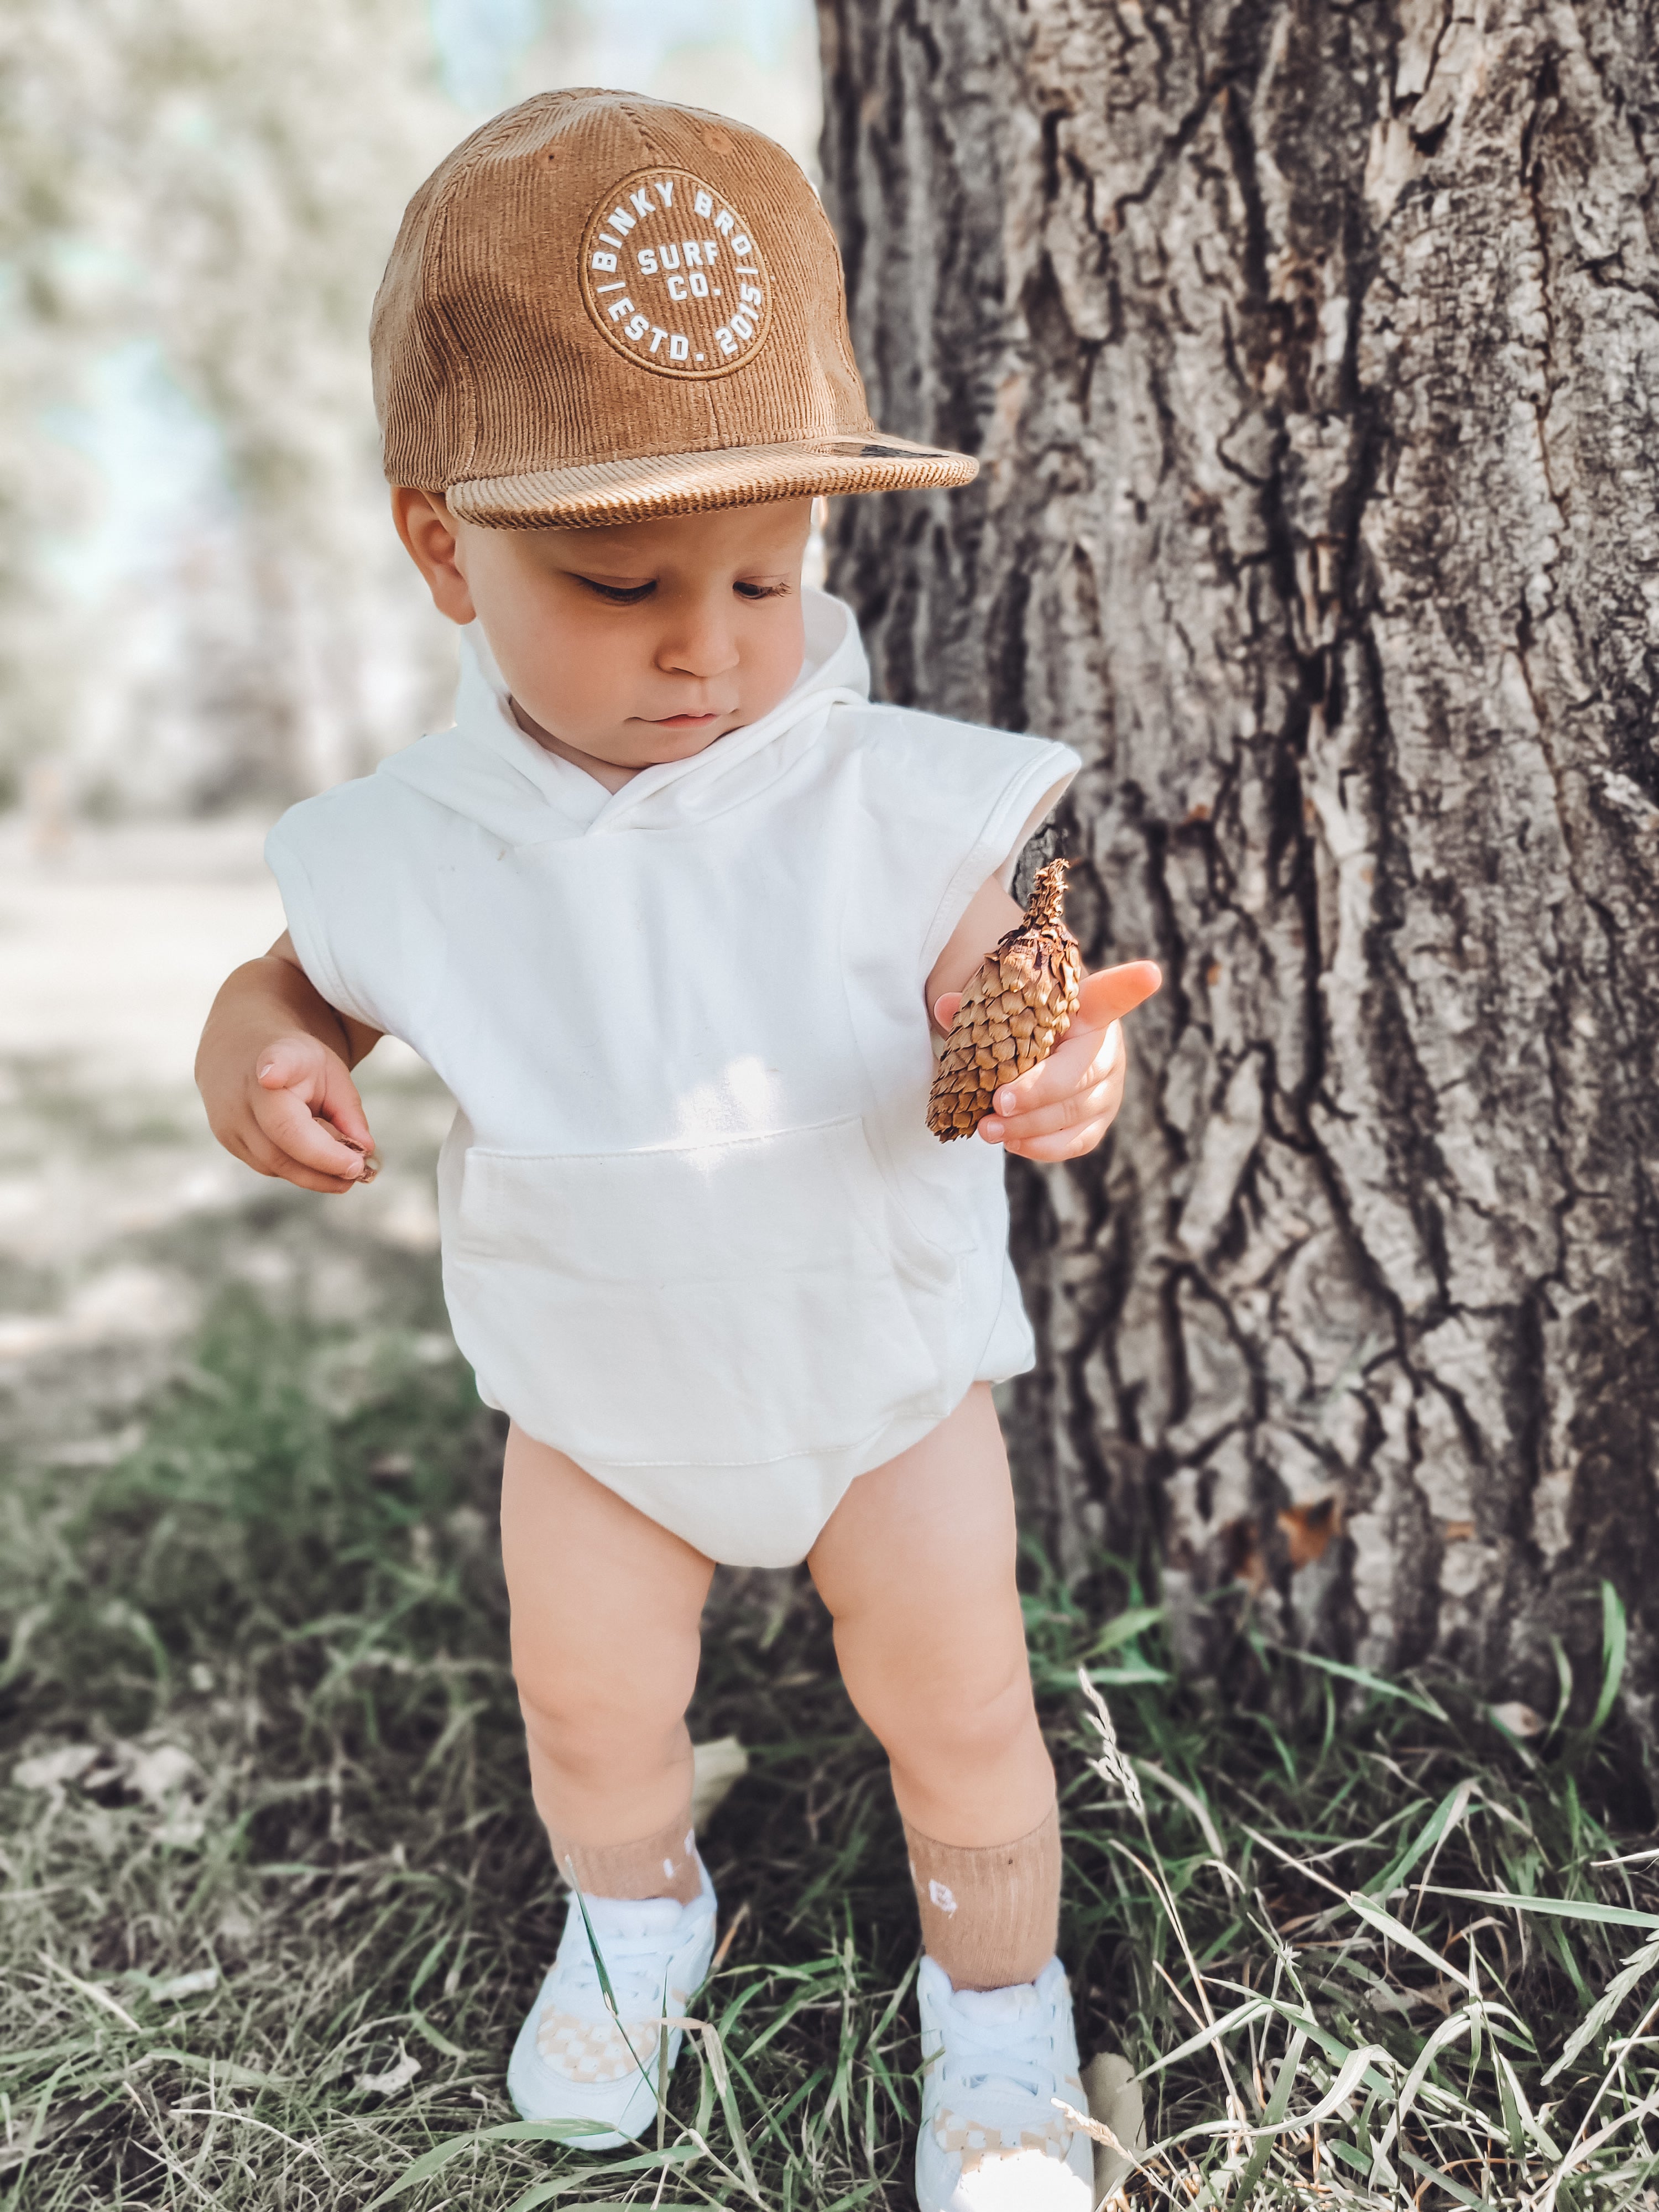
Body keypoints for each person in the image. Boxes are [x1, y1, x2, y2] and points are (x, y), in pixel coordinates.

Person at [195, 90, 1160, 2211]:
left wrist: (1048, 1071)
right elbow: (291, 987)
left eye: (762, 567)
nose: (707, 644)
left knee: (962, 1713)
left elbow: (1005, 978)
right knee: (592, 1709)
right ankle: (641, 1923)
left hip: (880, 1381)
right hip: (597, 1408)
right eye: (620, 579)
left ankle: (998, 2024)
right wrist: (262, 1065)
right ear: (443, 543)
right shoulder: (412, 846)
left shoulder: (891, 797)